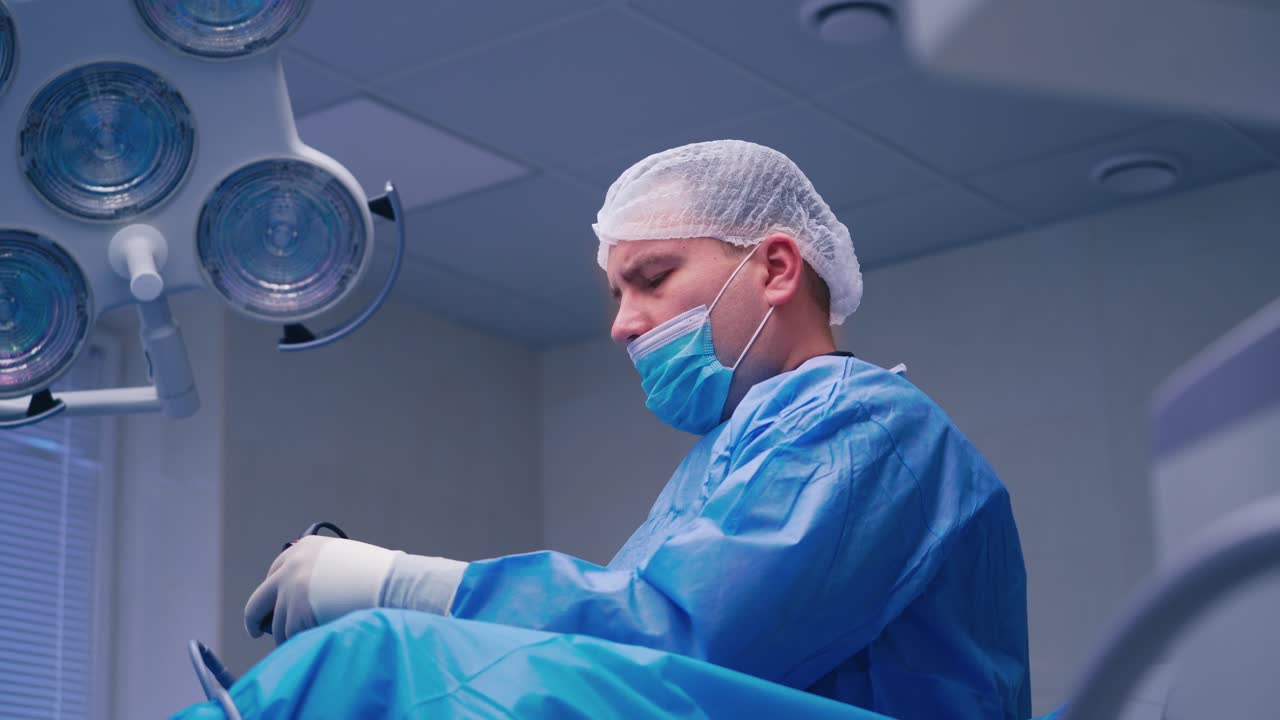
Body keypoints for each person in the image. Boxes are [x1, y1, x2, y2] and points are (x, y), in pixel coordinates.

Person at [244, 140, 1032, 720]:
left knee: (375, 662)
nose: (624, 325)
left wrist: (402, 588)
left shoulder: (863, 428)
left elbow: (673, 646)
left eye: (652, 279)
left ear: (778, 269)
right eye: (616, 293)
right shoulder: (732, 454)